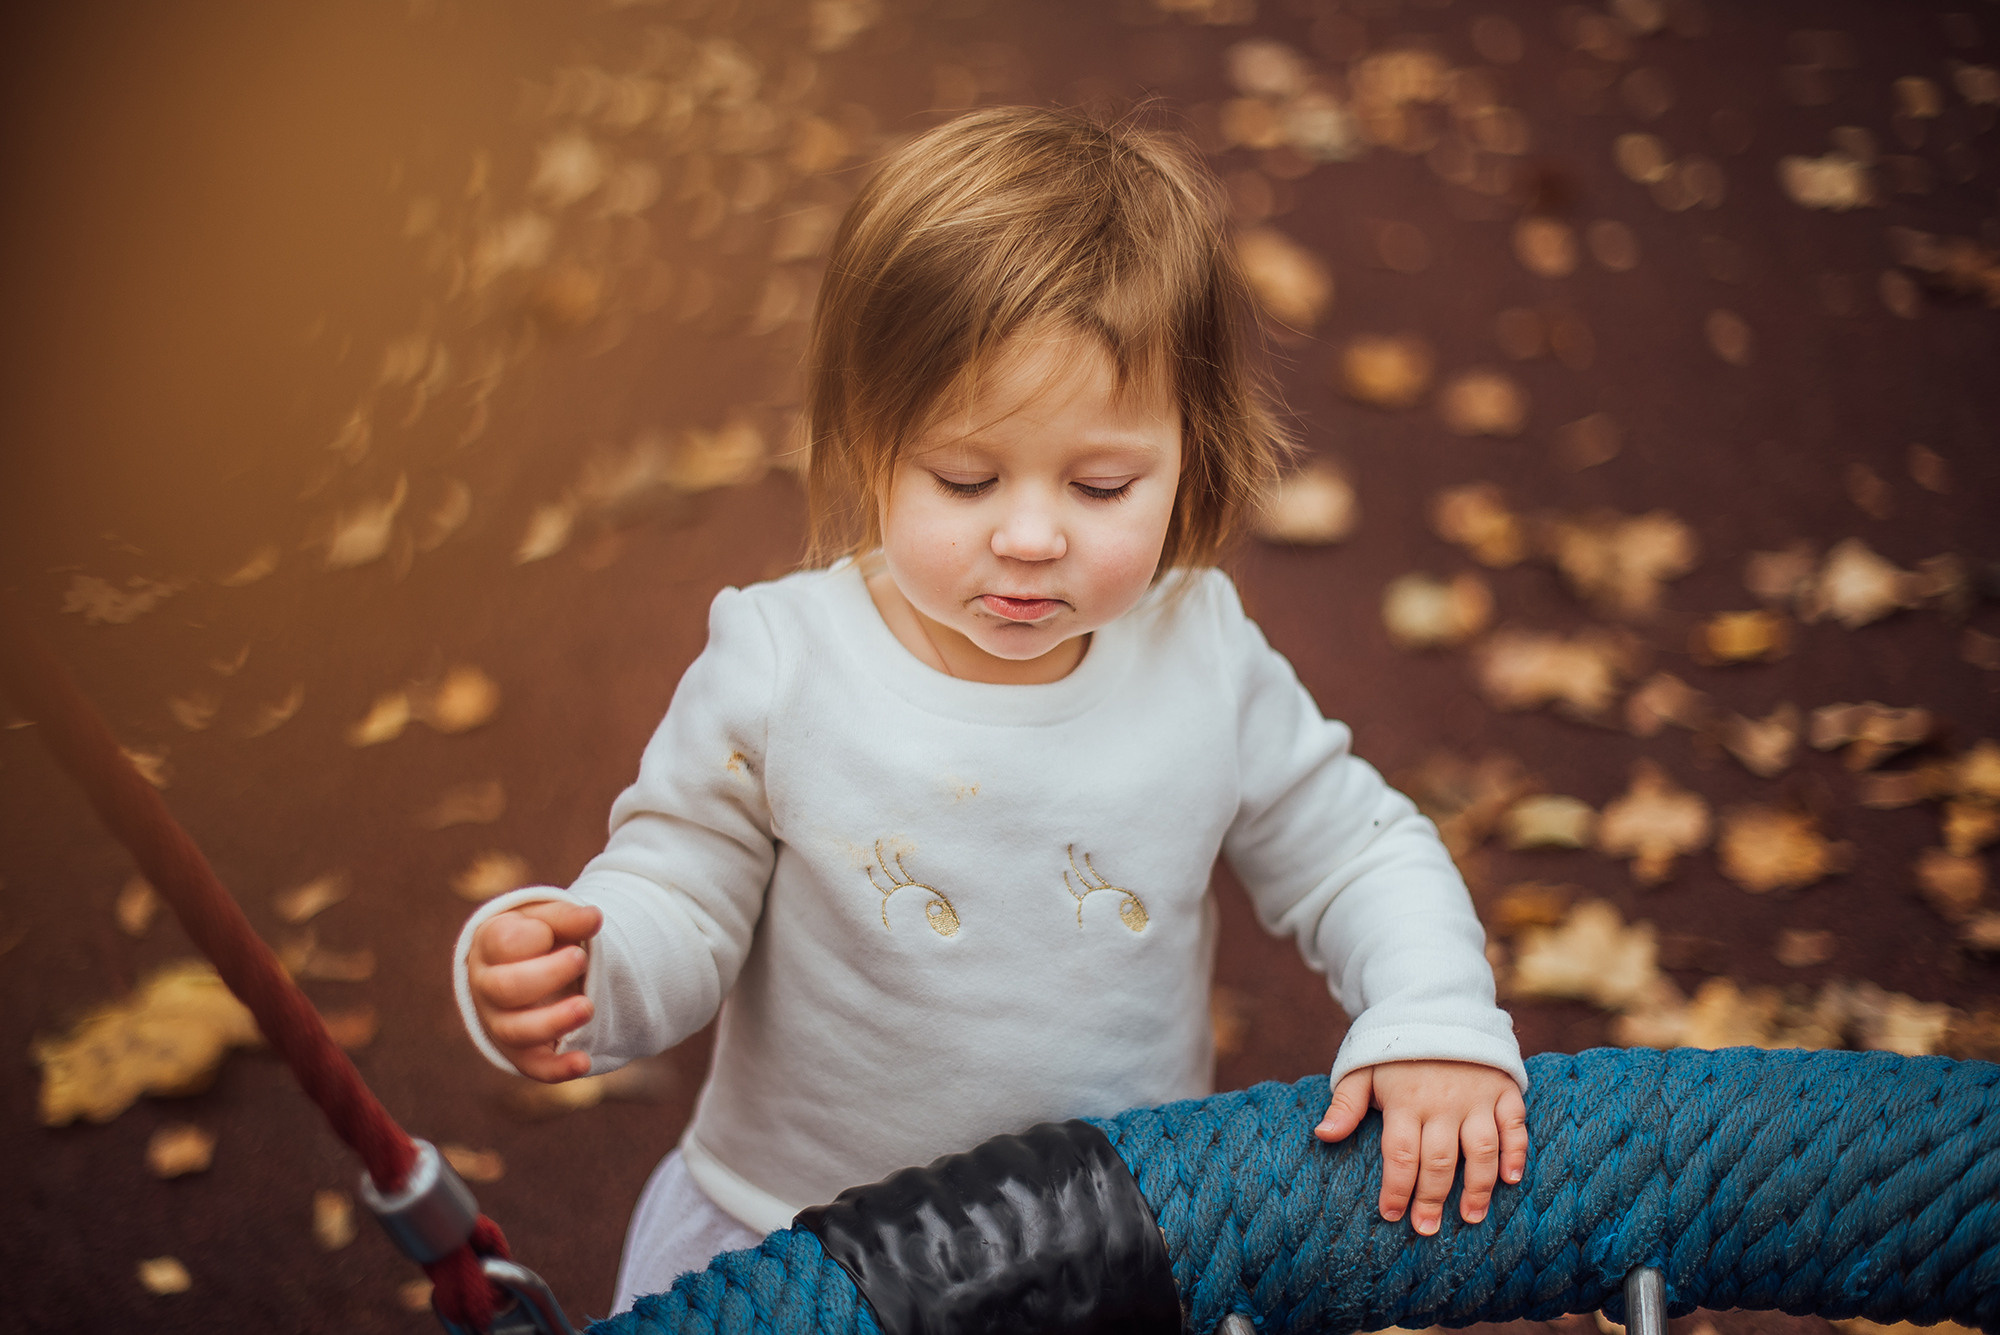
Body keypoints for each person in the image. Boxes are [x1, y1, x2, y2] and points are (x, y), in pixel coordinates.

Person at [454, 105, 1529, 1315]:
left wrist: (1431, 1011)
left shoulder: (1200, 655)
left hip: (1099, 1239)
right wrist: (587, 968)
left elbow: (1355, 850)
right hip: (799, 1237)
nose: (1028, 537)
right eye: (963, 478)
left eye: (1102, 483)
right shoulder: (783, 661)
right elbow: (681, 892)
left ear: (1193, 455)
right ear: (869, 446)